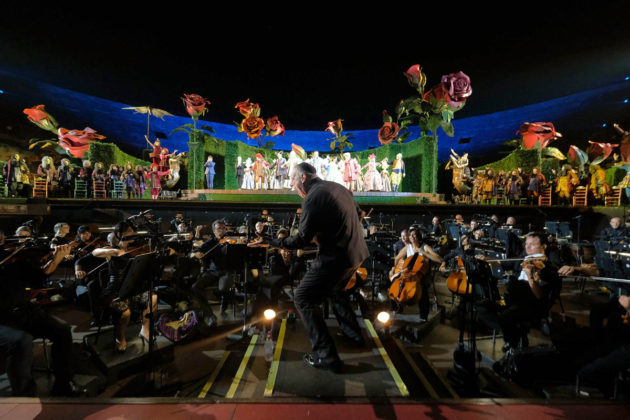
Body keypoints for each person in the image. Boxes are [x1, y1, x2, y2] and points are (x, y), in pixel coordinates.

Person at [270, 162, 369, 373]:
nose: (292, 185)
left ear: (303, 178)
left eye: (293, 180)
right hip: (357, 254)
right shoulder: (339, 187)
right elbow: (359, 214)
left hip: (337, 257)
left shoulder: (313, 197)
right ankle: (353, 335)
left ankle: (327, 357)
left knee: (303, 298)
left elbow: (301, 239)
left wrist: (275, 242)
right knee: (335, 290)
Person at [390, 227, 443, 320]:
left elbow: (438, 259)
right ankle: (397, 307)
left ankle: (424, 316)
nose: (412, 236)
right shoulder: (408, 247)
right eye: (410, 235)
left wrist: (423, 252)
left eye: (414, 235)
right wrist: (395, 268)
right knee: (395, 282)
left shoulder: (425, 246)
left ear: (418, 237)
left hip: (422, 273)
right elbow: (397, 257)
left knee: (423, 291)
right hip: (409, 273)